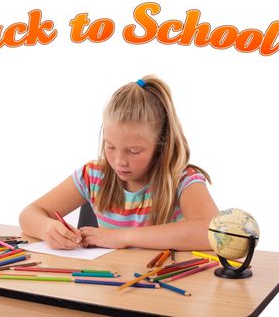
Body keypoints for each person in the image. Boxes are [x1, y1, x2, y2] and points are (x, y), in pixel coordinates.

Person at [19, 75, 218, 250]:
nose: (119, 161)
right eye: (110, 147)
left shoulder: (181, 180)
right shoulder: (93, 175)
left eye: (134, 151)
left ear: (161, 145)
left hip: (163, 287)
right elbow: (29, 214)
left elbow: (213, 232)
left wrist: (122, 237)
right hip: (108, 285)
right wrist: (47, 228)